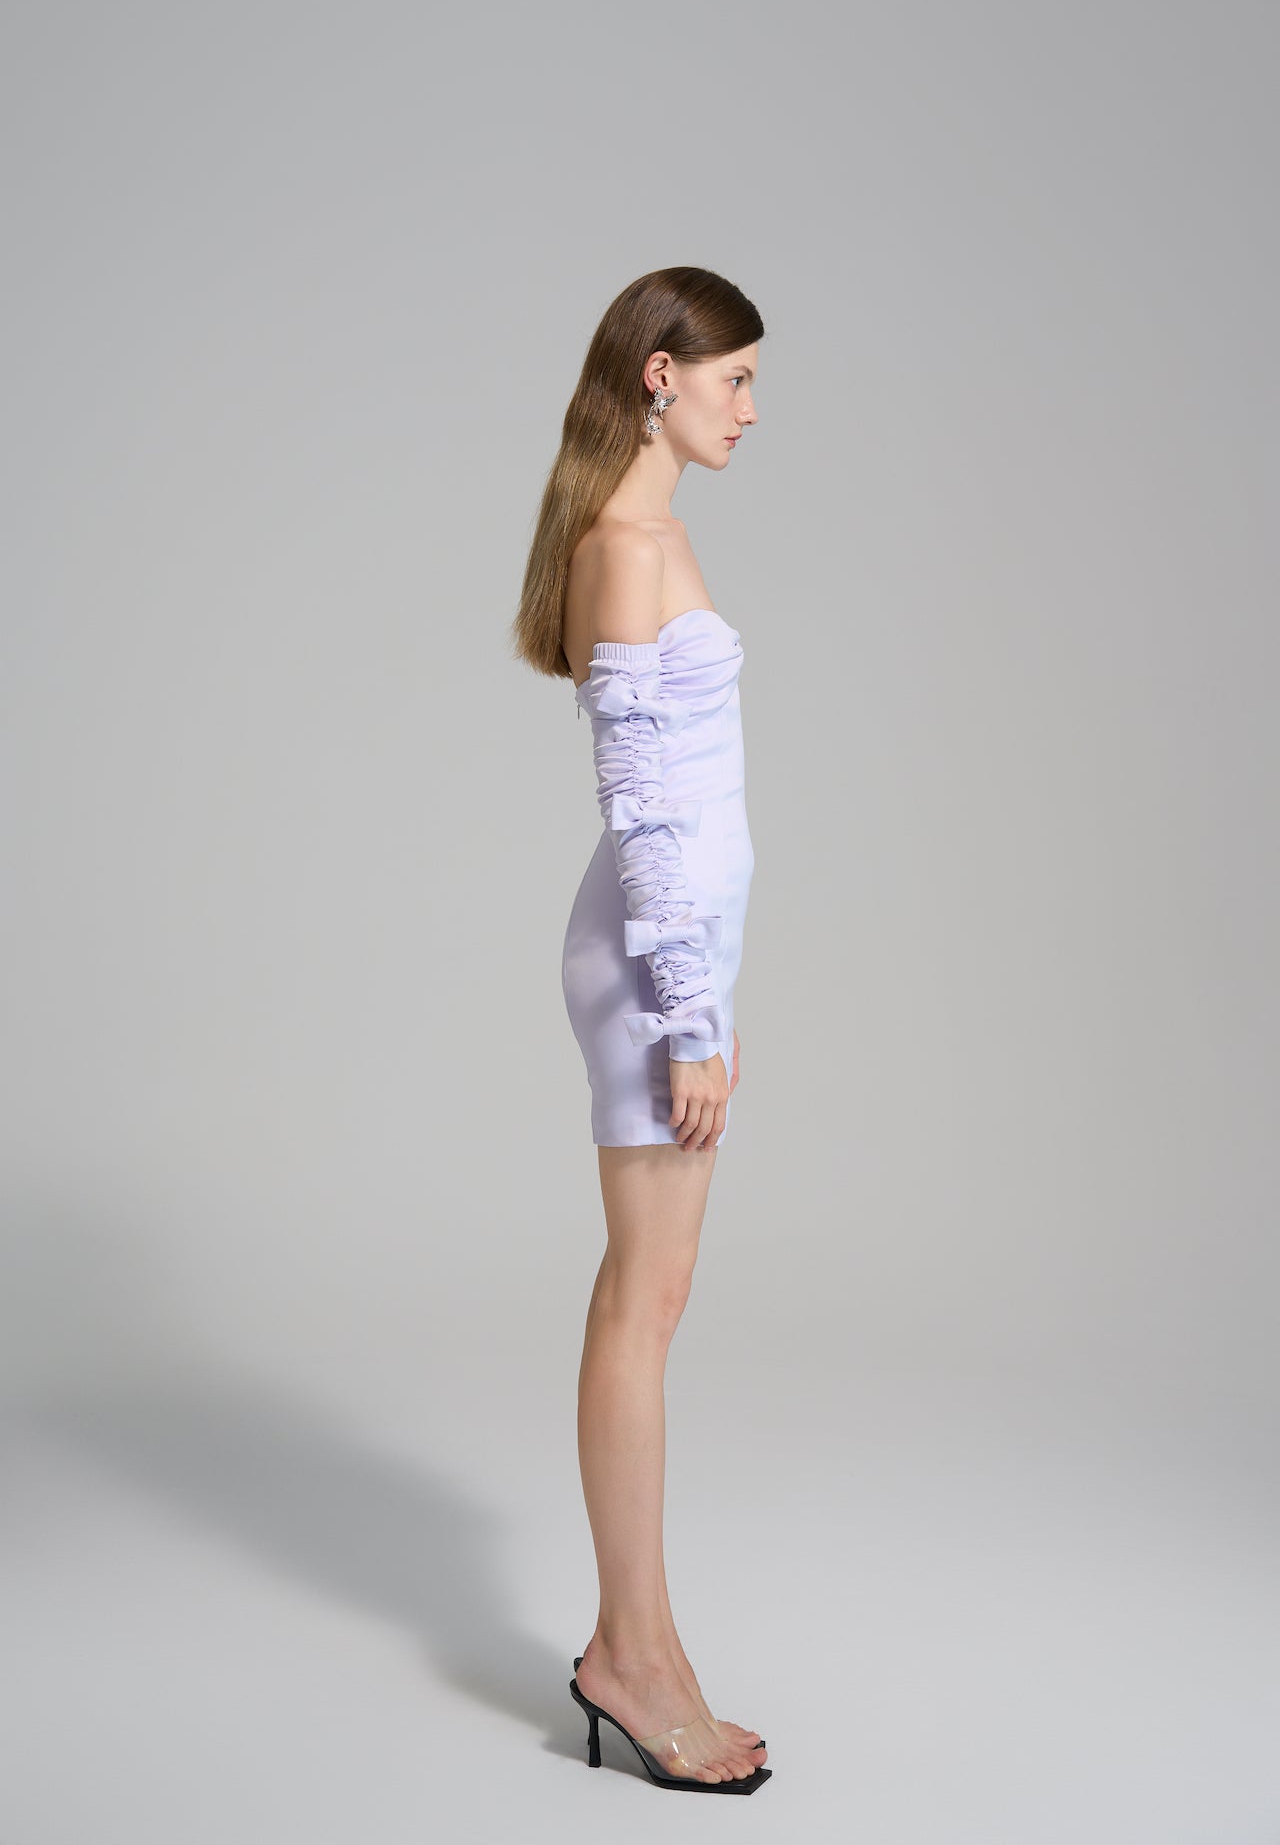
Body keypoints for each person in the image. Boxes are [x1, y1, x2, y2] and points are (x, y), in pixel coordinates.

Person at [511, 267, 771, 1793]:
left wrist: (708, 994)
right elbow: (641, 808)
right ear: (661, 376)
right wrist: (687, 1020)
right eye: (736, 380)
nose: (752, 409)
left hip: (682, 962)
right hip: (650, 968)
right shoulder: (625, 548)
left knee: (651, 1294)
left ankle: (640, 1645)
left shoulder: (660, 536)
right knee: (645, 1303)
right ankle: (636, 1659)